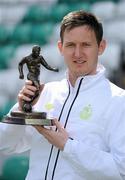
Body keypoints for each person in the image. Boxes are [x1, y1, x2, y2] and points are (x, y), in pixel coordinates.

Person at [0, 10, 125, 180]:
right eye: (71, 45)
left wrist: (67, 145)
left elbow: (121, 169)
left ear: (101, 47)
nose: (78, 53)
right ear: (60, 47)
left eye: (86, 45)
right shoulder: (45, 93)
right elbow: (5, 145)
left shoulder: (118, 101)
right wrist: (20, 112)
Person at [18, 45, 59, 112]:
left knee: (36, 93)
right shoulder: (27, 58)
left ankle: (28, 104)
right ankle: (27, 104)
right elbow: (20, 64)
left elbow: (46, 65)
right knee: (37, 87)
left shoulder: (40, 58)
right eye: (37, 51)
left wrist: (53, 69)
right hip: (31, 75)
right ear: (33, 51)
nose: (38, 53)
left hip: (37, 77)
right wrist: (21, 73)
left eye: (39, 51)